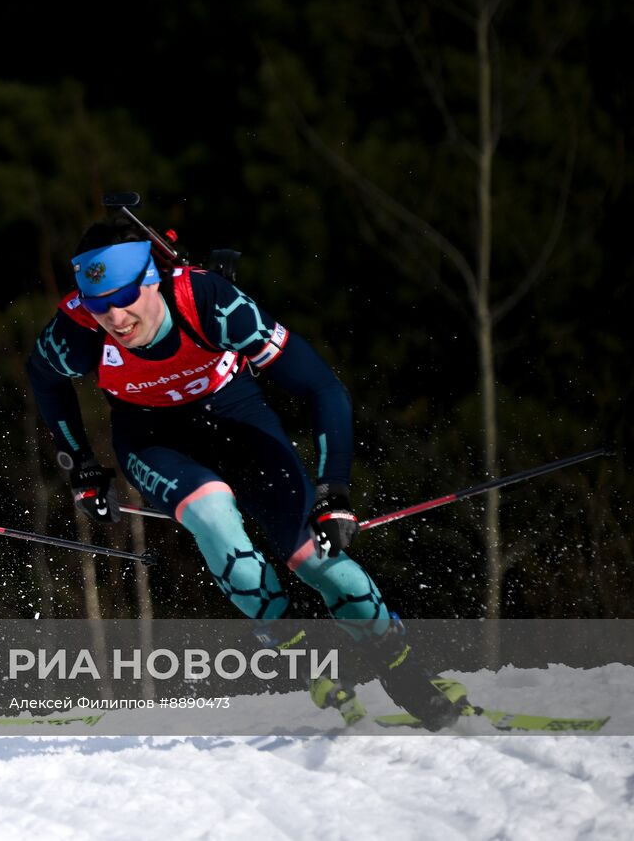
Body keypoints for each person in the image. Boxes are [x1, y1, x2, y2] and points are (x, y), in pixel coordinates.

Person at [24, 217, 463, 729]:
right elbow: (44, 379)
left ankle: (406, 673)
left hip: (236, 418)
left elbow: (323, 387)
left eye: (125, 298)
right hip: (152, 438)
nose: (116, 318)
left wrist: (333, 490)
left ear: (151, 280)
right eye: (99, 304)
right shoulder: (75, 331)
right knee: (217, 523)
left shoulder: (208, 301)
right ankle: (303, 656)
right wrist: (81, 468)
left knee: (319, 561)